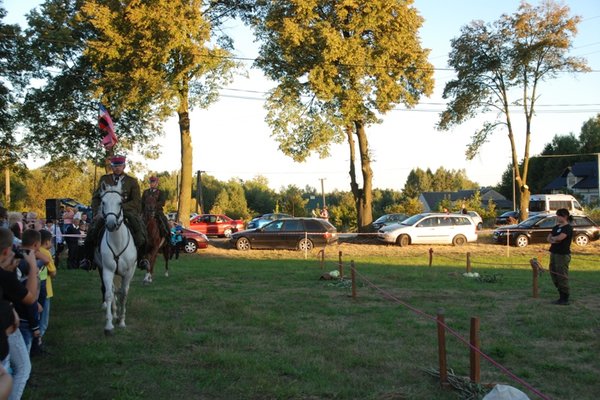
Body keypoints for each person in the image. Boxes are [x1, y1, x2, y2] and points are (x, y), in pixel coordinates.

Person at [80, 155, 150, 271]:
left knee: (141, 232)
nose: (117, 168)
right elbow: (96, 198)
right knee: (92, 231)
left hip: (127, 211)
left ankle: (142, 259)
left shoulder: (132, 181)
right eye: (115, 166)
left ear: (124, 166)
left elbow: (137, 201)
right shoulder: (104, 179)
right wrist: (97, 210)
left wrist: (120, 207)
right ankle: (88, 259)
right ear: (112, 166)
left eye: (120, 166)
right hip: (107, 212)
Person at [0, 228, 39, 400]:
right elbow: (30, 298)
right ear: (7, 250)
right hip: (5, 329)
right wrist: (32, 267)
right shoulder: (5, 277)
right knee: (21, 368)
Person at [547, 208, 573, 305]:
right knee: (553, 272)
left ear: (565, 216)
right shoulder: (556, 227)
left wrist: (554, 239)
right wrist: (554, 239)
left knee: (561, 275)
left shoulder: (568, 228)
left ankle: (564, 297)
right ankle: (560, 293)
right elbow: (548, 238)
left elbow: (560, 238)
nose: (557, 217)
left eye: (559, 215)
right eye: (557, 215)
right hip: (554, 252)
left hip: (562, 254)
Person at [141, 176, 171, 240]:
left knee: (164, 221)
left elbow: (162, 202)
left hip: (157, 212)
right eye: (151, 182)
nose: (152, 183)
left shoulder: (160, 192)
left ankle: (167, 236)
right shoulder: (145, 192)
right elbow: (142, 202)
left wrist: (154, 205)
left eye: (153, 182)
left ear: (157, 183)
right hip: (145, 212)